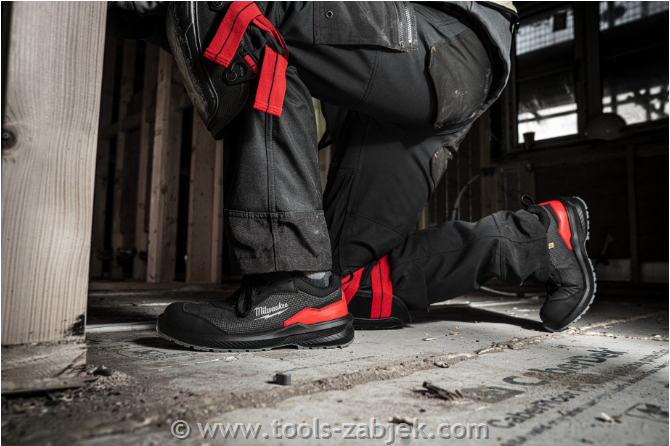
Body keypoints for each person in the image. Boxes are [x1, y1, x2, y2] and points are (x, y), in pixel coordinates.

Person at [107, 1, 596, 352]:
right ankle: (532, 241)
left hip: (439, 34)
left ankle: (289, 280)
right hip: (430, 72)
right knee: (339, 285)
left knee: (235, 12)